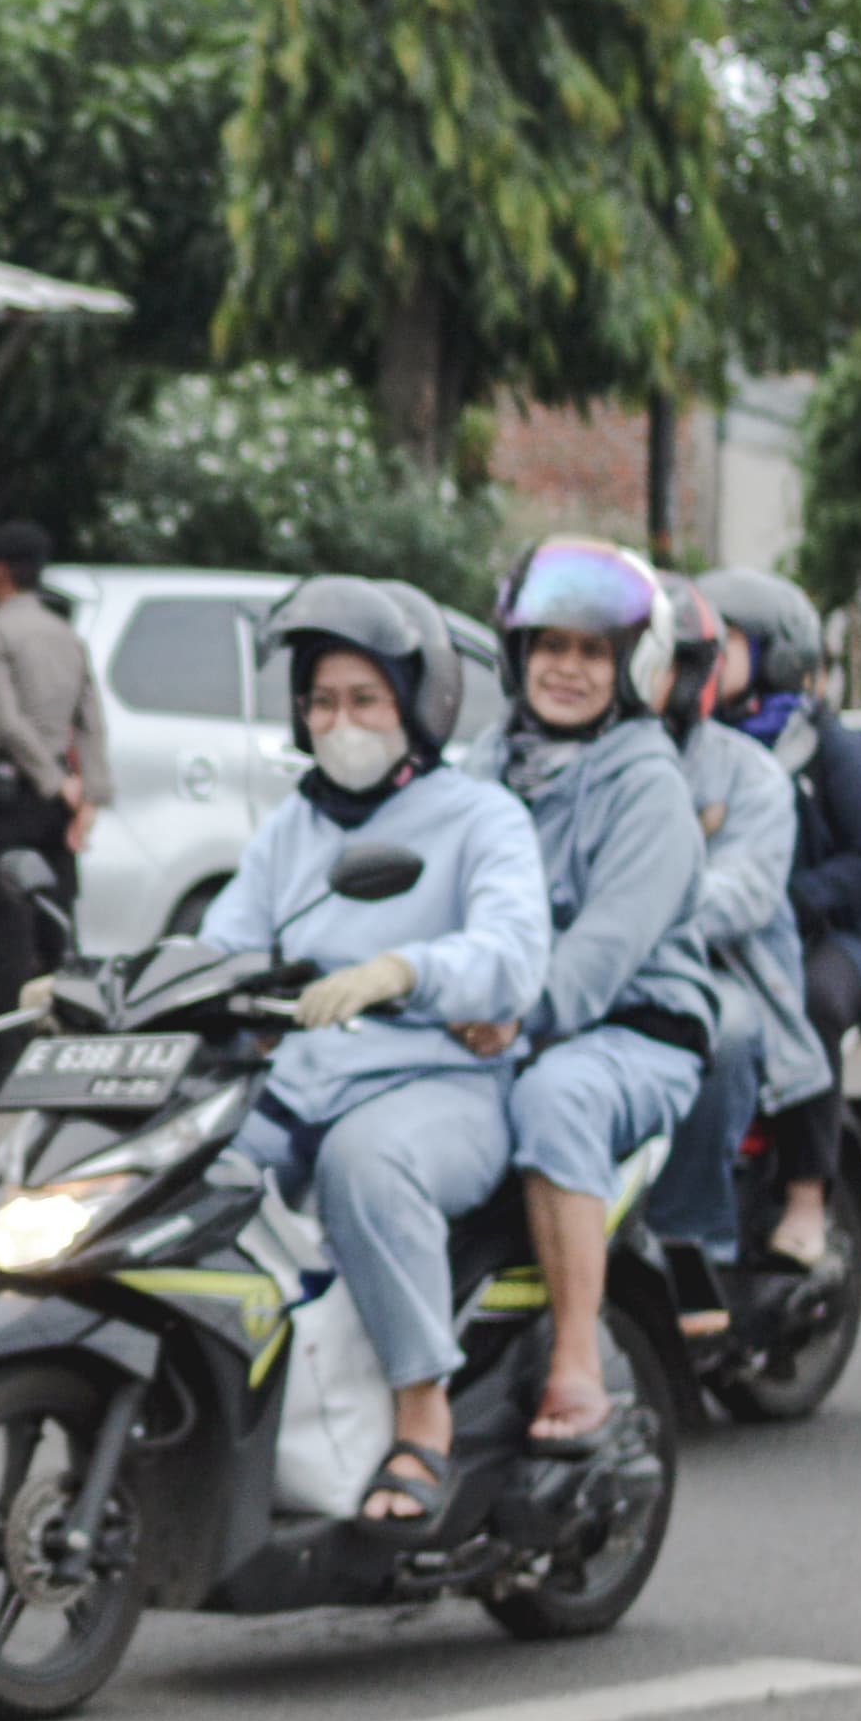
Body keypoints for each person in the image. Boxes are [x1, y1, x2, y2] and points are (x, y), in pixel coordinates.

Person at [198, 577, 550, 1531]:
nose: (339, 722)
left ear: (417, 705)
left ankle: (421, 1412)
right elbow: (221, 945)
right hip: (300, 1084)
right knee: (196, 1176)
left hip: (441, 1086)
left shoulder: (481, 818)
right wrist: (95, 988)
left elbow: (515, 953)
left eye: (364, 700)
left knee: (365, 1161)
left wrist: (405, 970)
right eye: (320, 701)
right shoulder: (293, 827)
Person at [482, 539, 719, 1447]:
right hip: (492, 1025)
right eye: (550, 647)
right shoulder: (486, 765)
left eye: (591, 652)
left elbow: (600, 955)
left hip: (630, 1034)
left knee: (556, 1098)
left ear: (630, 668)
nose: (567, 670)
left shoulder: (647, 784)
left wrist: (506, 1015)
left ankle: (576, 1361)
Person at [700, 568, 861, 1267]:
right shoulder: (697, 745)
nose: (703, 658)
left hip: (855, 935)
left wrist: (790, 899)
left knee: (811, 1000)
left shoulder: (833, 751)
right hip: (751, 931)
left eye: (723, 644)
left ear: (773, 654)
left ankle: (806, 1196)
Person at [643, 575, 834, 1326]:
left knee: (719, 1036)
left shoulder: (752, 770)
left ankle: (696, 1241)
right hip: (583, 970)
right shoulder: (527, 757)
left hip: (724, 971)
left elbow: (745, 895)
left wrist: (624, 920)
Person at [0, 518, 110, 1054]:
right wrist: (86, 796)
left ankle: (6, 1065)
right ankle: (71, 1050)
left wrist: (49, 782)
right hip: (59, 806)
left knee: (8, 936)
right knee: (58, 930)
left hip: (14, 797)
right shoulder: (67, 635)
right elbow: (92, 720)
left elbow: (7, 722)